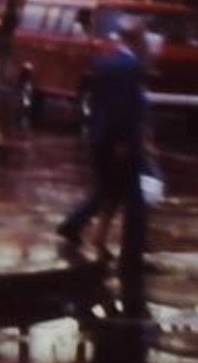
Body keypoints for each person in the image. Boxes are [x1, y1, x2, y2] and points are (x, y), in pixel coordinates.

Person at [59, 19, 153, 273]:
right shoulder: (130, 66)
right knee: (134, 200)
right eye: (143, 37)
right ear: (136, 38)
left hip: (101, 137)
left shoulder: (106, 61)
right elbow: (124, 109)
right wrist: (125, 141)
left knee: (107, 189)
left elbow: (101, 103)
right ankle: (133, 254)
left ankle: (73, 224)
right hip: (119, 141)